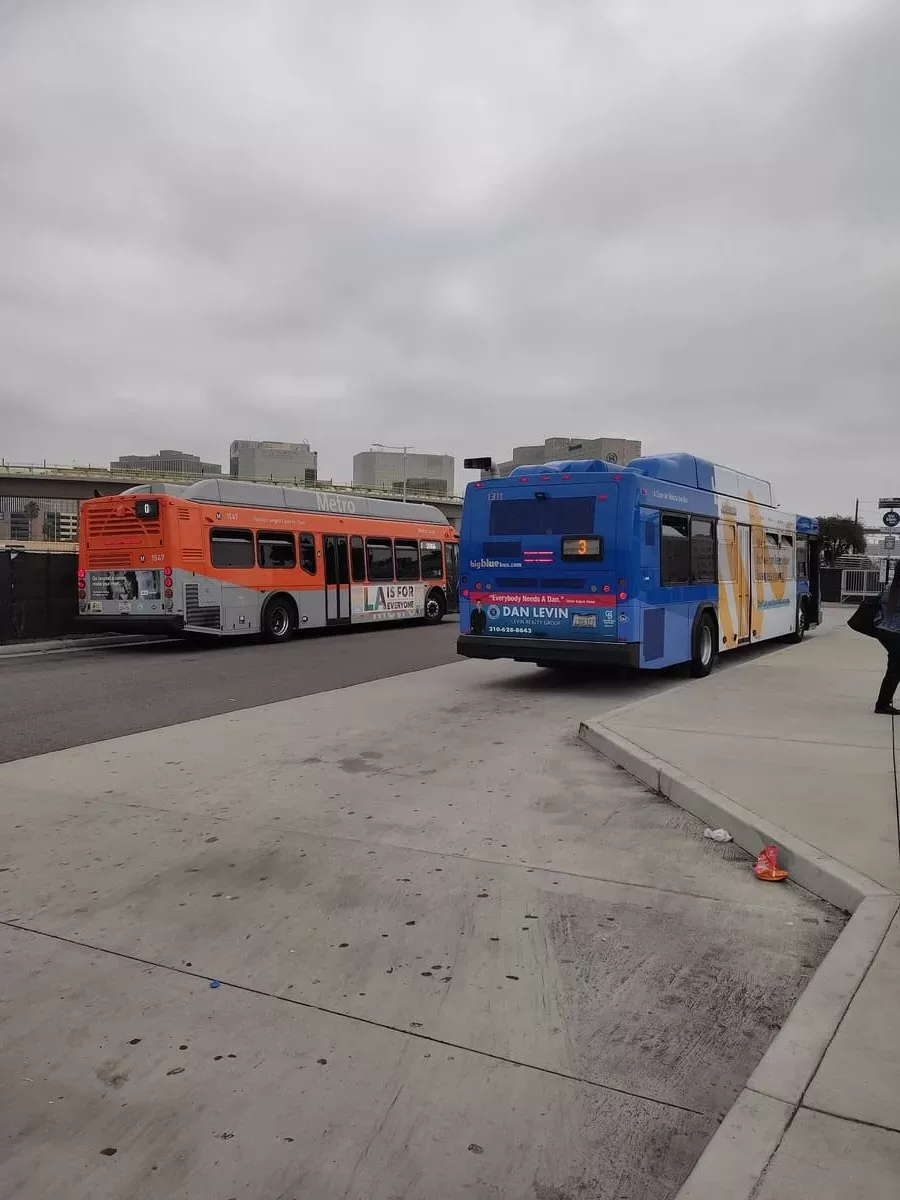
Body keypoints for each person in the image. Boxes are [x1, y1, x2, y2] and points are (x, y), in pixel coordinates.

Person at [874, 562, 900, 715]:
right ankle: (882, 704)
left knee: (895, 668)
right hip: (895, 634)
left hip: (885, 632)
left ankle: (883, 702)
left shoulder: (890, 588)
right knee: (894, 670)